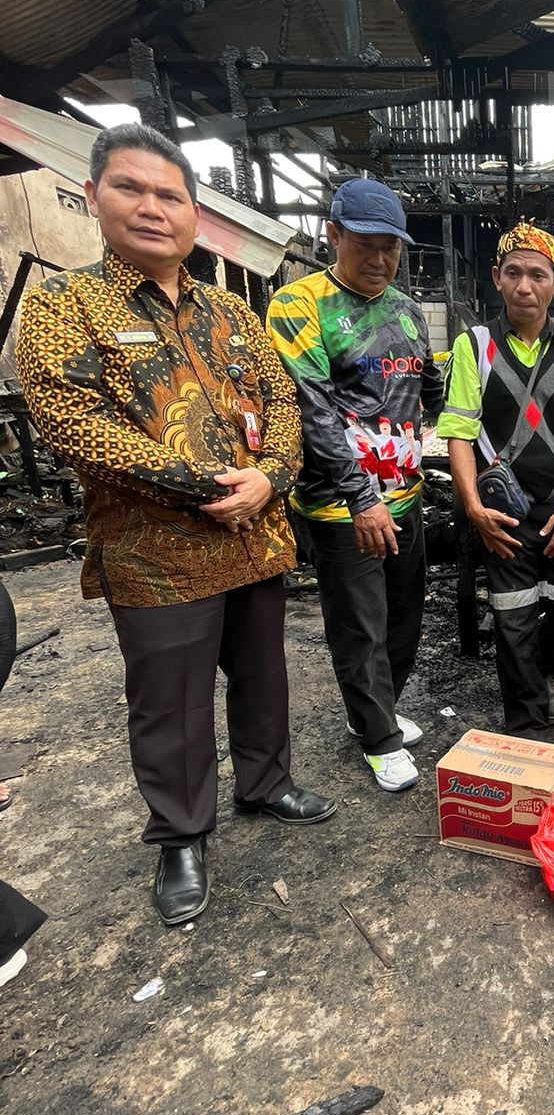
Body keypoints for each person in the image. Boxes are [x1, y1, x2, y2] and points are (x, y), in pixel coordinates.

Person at [16, 123, 335, 928]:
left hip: (253, 537)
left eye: (170, 195)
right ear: (93, 198)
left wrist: (271, 476)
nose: (152, 208)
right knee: (171, 702)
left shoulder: (231, 311)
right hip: (155, 554)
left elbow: (283, 401)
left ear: (196, 214)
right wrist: (208, 486)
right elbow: (74, 422)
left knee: (263, 676)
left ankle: (266, 783)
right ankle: (182, 835)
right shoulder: (63, 305)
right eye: (131, 189)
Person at [268, 179, 444, 794]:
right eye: (365, 244)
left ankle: (375, 711)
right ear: (334, 235)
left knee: (404, 615)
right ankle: (379, 738)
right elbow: (311, 408)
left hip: (405, 494)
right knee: (359, 624)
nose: (378, 259)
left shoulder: (407, 311)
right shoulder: (299, 305)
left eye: (390, 248)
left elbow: (428, 386)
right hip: (342, 504)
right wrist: (360, 497)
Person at [438, 220, 554, 734]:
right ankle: (528, 731)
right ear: (497, 277)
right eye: (513, 273)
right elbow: (458, 432)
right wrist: (474, 509)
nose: (524, 286)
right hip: (505, 516)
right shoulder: (474, 347)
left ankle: (537, 678)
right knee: (513, 621)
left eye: (537, 275)